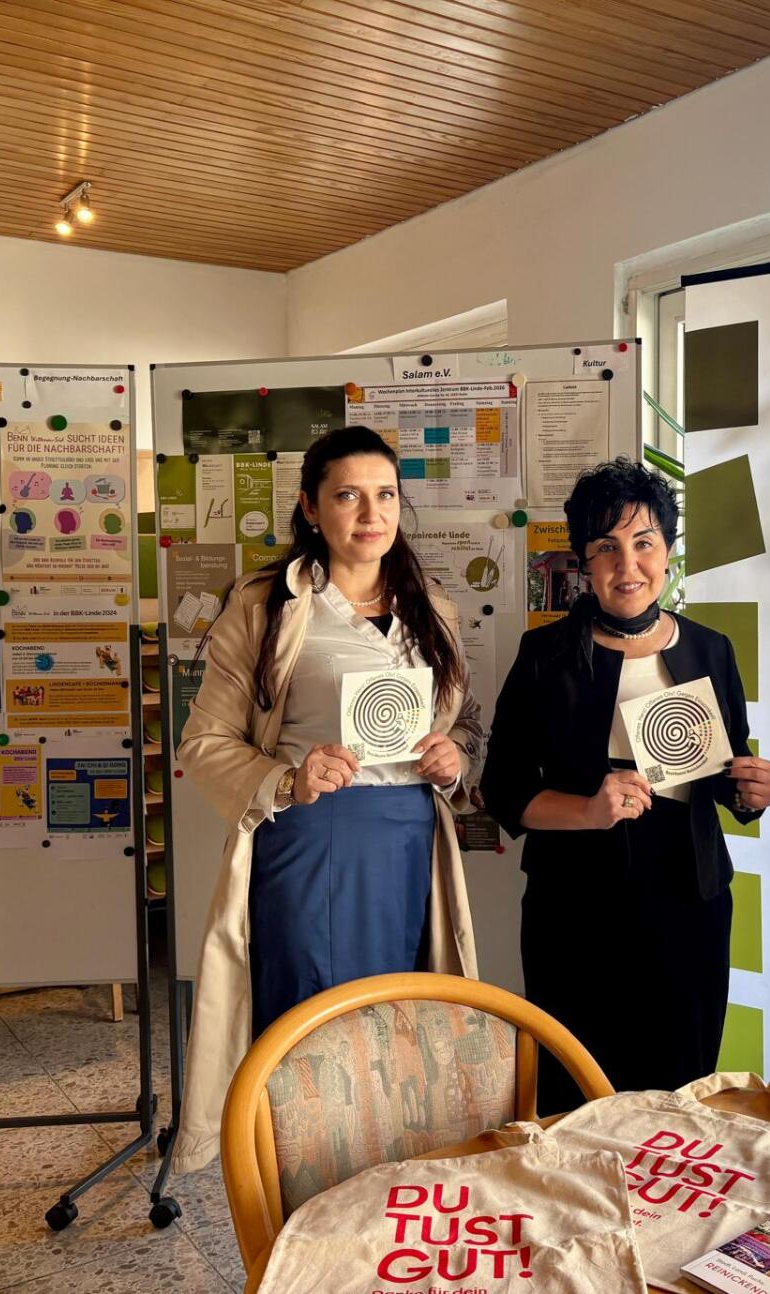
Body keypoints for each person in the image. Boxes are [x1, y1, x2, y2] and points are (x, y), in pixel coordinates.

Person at [172, 426, 482, 1173]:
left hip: (408, 840)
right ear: (311, 508)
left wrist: (455, 756)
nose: (370, 513)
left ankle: (384, 1193)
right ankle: (300, 1188)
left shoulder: (431, 606)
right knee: (308, 1019)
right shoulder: (266, 604)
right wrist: (289, 779)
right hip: (308, 835)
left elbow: (463, 722)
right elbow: (204, 742)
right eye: (348, 495)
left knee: (399, 1023)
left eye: (384, 496)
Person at [483, 458, 770, 1110]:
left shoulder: (711, 649)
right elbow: (502, 788)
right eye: (606, 548)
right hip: (576, 913)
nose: (628, 566)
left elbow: (725, 777)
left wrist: (751, 791)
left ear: (668, 553)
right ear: (585, 563)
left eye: (644, 543)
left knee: (681, 1089)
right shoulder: (546, 656)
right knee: (576, 1093)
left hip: (690, 904)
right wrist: (589, 811)